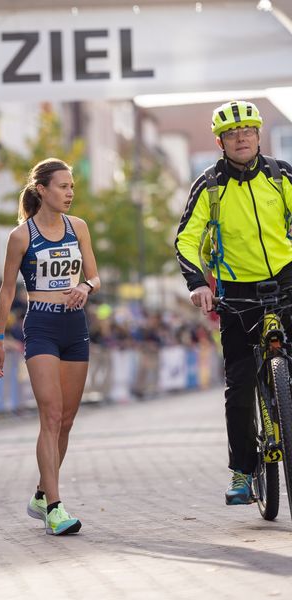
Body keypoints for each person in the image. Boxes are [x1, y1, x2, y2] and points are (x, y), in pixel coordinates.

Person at [175, 100, 292, 505]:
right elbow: (186, 239)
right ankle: (243, 471)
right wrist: (196, 282)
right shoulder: (209, 185)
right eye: (231, 134)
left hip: (286, 280)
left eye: (247, 132)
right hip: (236, 292)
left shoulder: (282, 176)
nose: (240, 138)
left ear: (258, 136)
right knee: (240, 386)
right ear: (220, 141)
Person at [0, 158, 100, 535]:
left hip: (75, 327)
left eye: (72, 187)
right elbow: (6, 290)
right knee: (50, 415)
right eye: (62, 186)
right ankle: (55, 507)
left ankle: (41, 493)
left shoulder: (79, 227)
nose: (69, 193)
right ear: (42, 190)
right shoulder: (21, 236)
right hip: (40, 326)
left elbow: (95, 275)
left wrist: (86, 287)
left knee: (67, 421)